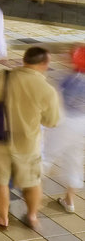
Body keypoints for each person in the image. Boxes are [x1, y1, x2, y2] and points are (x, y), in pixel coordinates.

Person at [0, 47, 61, 233]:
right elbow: (52, 121)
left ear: (24, 60)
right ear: (44, 64)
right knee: (32, 181)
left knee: (0, 181)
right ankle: (32, 216)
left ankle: (3, 218)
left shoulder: (4, 77)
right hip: (28, 144)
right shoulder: (46, 90)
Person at [42, 61, 85, 214]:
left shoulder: (72, 79)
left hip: (65, 122)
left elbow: (57, 101)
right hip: (82, 125)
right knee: (74, 161)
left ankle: (30, 192)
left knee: (46, 156)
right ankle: (69, 201)